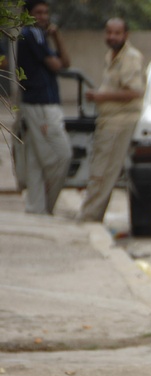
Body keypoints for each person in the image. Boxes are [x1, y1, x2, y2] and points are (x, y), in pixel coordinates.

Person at [78, 18, 145, 224]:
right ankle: (90, 216)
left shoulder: (130, 57)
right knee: (99, 171)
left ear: (126, 35)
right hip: (108, 120)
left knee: (103, 172)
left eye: (117, 33)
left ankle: (89, 218)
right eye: (109, 32)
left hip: (120, 121)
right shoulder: (111, 55)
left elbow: (134, 91)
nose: (112, 37)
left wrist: (100, 96)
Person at [17, 0, 72, 216]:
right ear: (28, 15)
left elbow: (66, 61)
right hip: (41, 104)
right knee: (62, 155)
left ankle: (36, 208)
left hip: (40, 103)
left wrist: (57, 36)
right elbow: (57, 65)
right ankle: (47, 206)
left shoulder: (42, 36)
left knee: (36, 160)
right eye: (38, 12)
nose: (43, 17)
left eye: (46, 12)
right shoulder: (32, 34)